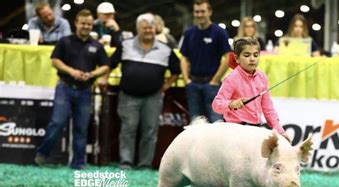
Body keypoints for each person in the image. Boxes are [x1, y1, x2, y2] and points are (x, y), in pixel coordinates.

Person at [212, 37, 291, 187]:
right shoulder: (231, 79)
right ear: (237, 58)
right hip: (235, 130)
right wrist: (231, 104)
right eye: (247, 55)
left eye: (256, 55)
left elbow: (268, 108)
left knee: (257, 170)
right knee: (236, 172)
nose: (252, 59)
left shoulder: (262, 77)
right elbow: (217, 104)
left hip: (255, 130)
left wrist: (279, 129)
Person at [35, 9, 109, 170]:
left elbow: (105, 66)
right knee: (57, 123)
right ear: (76, 23)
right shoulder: (65, 41)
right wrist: (72, 72)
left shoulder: (96, 46)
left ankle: (78, 163)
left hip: (85, 90)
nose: (86, 26)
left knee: (81, 128)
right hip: (65, 88)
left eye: (89, 24)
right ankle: (43, 154)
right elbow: (55, 61)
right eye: (83, 23)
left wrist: (91, 74)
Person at [106, 13, 180, 169]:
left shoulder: (166, 50)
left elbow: (176, 70)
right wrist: (103, 77)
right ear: (138, 29)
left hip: (153, 97)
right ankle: (126, 162)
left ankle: (145, 164)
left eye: (151, 27)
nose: (148, 30)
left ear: (155, 29)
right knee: (128, 129)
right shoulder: (125, 45)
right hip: (128, 96)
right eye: (144, 27)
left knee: (150, 131)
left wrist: (166, 85)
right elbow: (110, 63)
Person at [179, 0, 231, 122]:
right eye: (197, 12)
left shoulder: (219, 32)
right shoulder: (189, 33)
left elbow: (227, 57)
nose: (199, 14)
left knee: (216, 122)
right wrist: (186, 79)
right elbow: (184, 58)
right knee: (195, 122)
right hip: (193, 85)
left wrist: (215, 80)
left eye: (203, 11)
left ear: (210, 12)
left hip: (212, 86)